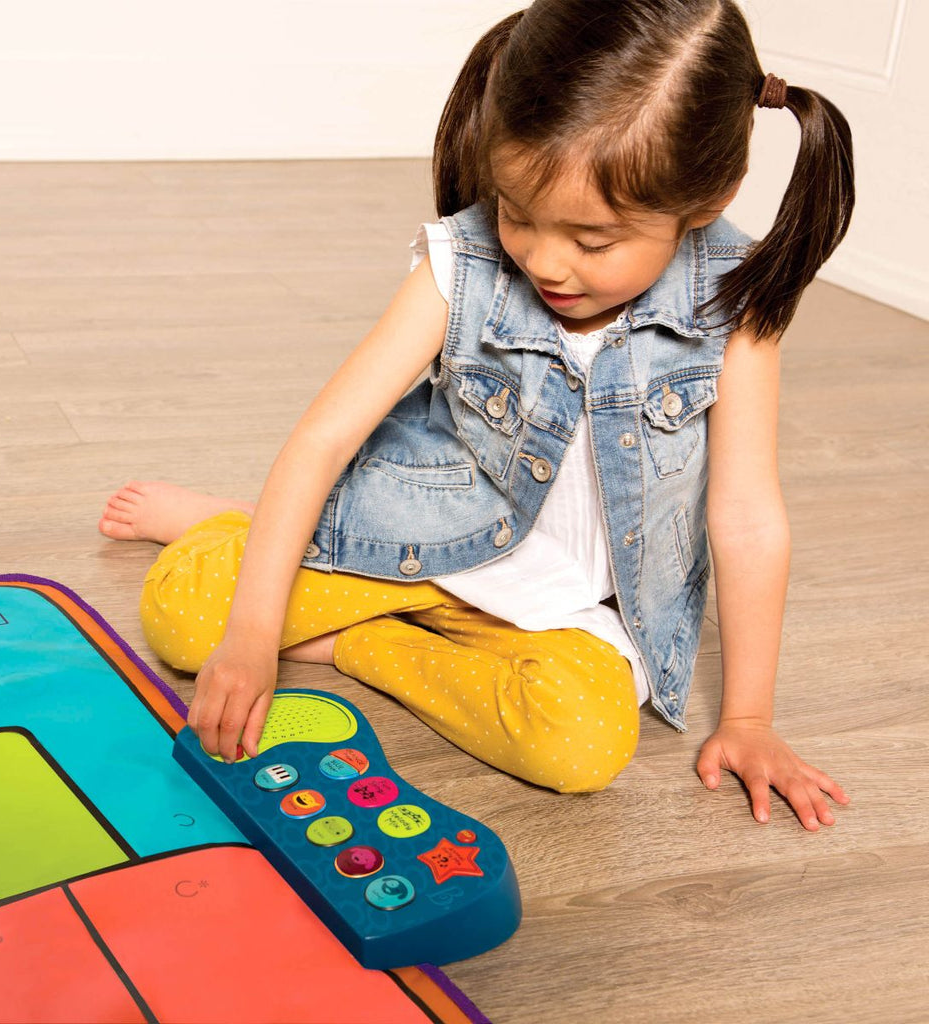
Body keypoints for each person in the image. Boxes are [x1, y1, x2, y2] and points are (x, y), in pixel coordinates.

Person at [100, 0, 855, 830]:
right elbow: (325, 438)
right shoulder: (461, 265)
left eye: (593, 241)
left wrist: (747, 720)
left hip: (562, 608)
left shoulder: (735, 305)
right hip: (417, 541)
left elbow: (747, 517)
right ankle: (257, 529)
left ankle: (360, 634)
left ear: (709, 196)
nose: (543, 260)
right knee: (184, 614)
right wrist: (249, 639)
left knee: (581, 744)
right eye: (518, 214)